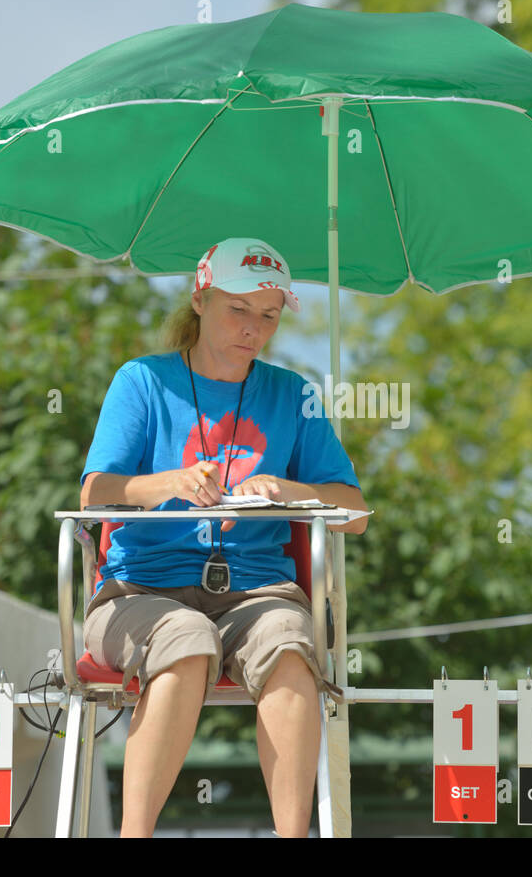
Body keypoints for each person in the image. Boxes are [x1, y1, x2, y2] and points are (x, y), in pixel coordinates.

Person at [78, 237, 368, 837]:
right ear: (201, 300)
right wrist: (170, 482)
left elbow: (356, 511)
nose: (254, 329)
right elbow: (95, 493)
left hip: (256, 593)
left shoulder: (293, 394)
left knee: (292, 642)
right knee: (186, 637)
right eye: (239, 310)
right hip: (139, 592)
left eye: (269, 315)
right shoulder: (142, 381)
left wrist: (285, 490)